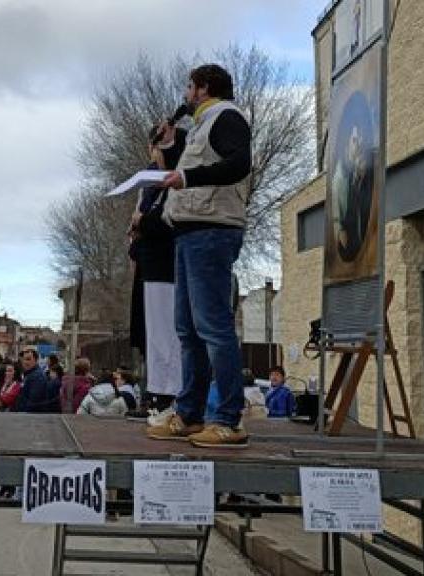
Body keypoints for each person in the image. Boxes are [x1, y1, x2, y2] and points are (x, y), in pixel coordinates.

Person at [146, 63, 252, 448]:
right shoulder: (202, 127)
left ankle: (227, 419)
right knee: (188, 330)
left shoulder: (227, 116)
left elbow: (238, 164)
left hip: (212, 232)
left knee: (212, 328)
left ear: (204, 88)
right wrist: (173, 147)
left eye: (189, 87)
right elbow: (187, 174)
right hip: (191, 231)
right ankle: (189, 414)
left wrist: (187, 176)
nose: (185, 94)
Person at [129, 113, 188, 416]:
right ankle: (155, 393)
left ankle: (169, 395)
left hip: (167, 262)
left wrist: (144, 220)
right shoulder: (150, 181)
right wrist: (137, 223)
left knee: (167, 330)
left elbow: (171, 218)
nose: (155, 154)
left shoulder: (179, 177)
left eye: (161, 148)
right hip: (149, 261)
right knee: (152, 331)